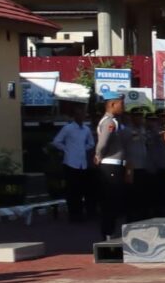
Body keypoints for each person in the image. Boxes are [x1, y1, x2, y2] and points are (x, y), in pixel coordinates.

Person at [93, 94, 133, 237]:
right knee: (109, 200)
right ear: (112, 104)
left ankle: (110, 230)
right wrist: (98, 155)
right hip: (110, 165)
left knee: (115, 200)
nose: (123, 107)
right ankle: (107, 233)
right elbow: (103, 143)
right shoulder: (109, 122)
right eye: (121, 104)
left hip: (117, 165)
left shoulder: (116, 121)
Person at [50, 111, 93, 220]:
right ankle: (73, 215)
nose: (81, 116)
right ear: (75, 116)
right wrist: (66, 149)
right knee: (71, 191)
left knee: (81, 190)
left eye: (82, 115)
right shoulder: (68, 128)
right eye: (79, 114)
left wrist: (83, 149)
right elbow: (56, 141)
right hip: (70, 162)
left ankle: (80, 213)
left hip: (82, 163)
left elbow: (91, 143)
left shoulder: (86, 129)